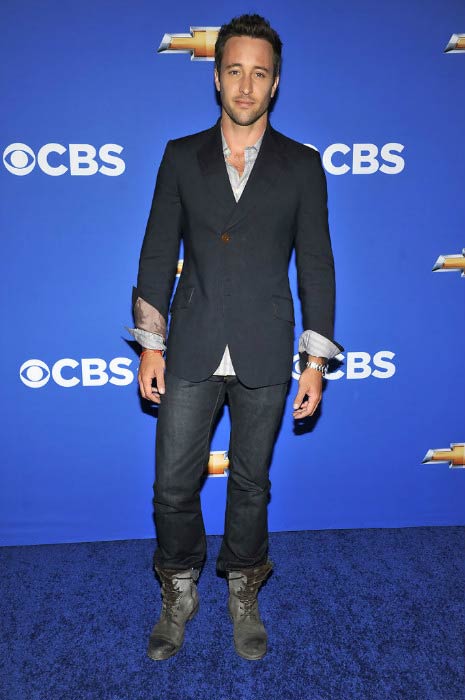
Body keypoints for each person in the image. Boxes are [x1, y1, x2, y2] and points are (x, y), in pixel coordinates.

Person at [129, 14, 342, 661]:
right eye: (234, 71)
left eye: (260, 73)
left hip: (265, 345)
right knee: (172, 486)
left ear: (275, 83)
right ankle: (180, 586)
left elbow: (316, 266)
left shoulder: (302, 165)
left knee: (251, 483)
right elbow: (155, 254)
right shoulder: (179, 156)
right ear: (217, 78)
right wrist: (151, 344)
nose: (246, 86)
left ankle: (243, 587)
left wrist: (315, 361)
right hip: (192, 341)